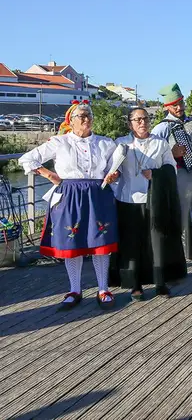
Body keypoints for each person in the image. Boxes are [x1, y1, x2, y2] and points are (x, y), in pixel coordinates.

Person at [20, 101, 120, 310]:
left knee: (99, 243)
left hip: (98, 194)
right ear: (71, 121)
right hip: (69, 195)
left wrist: (114, 175)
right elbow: (28, 159)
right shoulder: (59, 142)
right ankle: (75, 289)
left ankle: (103, 289)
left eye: (89, 115)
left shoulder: (105, 143)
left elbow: (116, 168)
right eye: (81, 116)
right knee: (71, 243)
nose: (86, 119)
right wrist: (48, 174)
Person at [110, 107, 185, 301]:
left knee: (157, 242)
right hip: (129, 200)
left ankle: (161, 283)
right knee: (132, 244)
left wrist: (156, 174)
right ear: (130, 124)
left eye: (145, 119)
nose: (142, 123)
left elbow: (172, 169)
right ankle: (135, 285)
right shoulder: (122, 143)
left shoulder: (160, 144)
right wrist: (114, 174)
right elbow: (112, 169)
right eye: (137, 120)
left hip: (154, 198)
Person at [152, 83, 192, 276]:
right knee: (179, 221)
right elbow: (154, 156)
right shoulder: (162, 128)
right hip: (180, 175)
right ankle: (176, 262)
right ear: (166, 107)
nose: (179, 108)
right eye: (174, 105)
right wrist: (172, 154)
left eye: (180, 103)